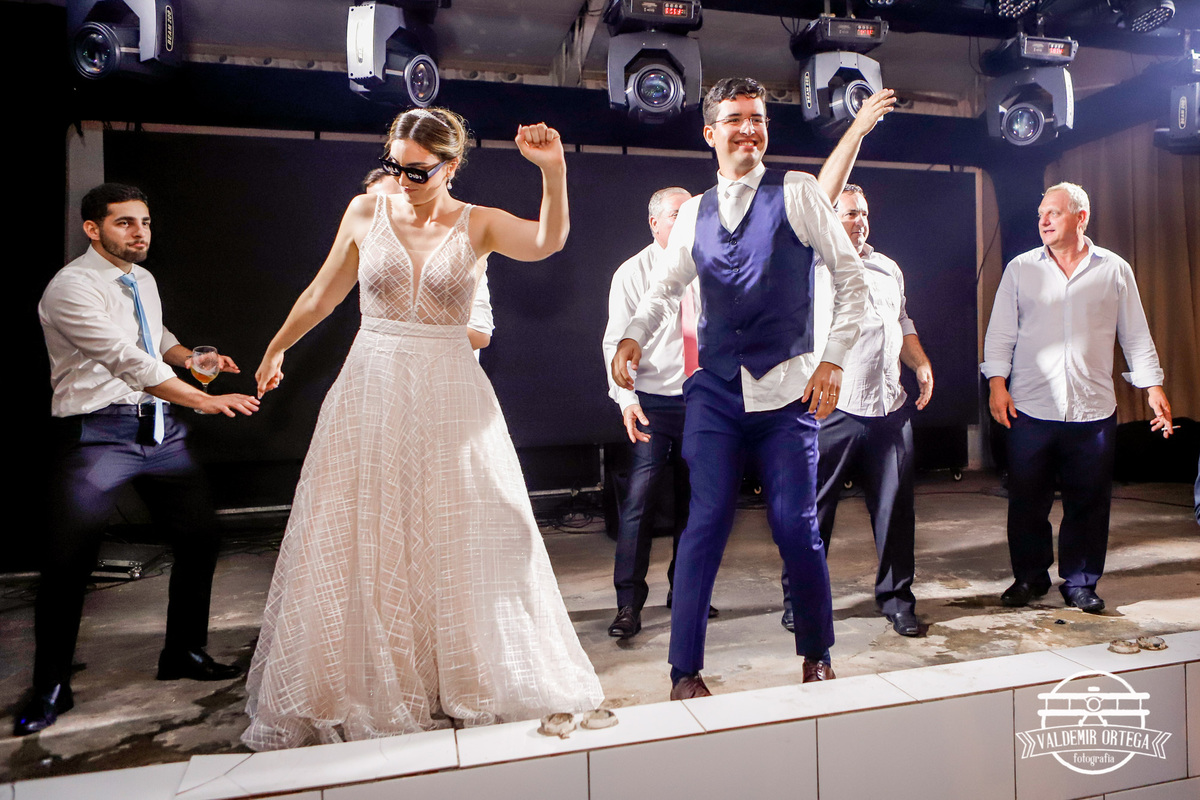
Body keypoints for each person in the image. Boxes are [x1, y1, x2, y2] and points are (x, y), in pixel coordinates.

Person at [243, 107, 603, 750]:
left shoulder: (478, 222)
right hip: (373, 382)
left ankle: (456, 670)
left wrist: (553, 171)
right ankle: (369, 678)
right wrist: (276, 348)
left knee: (459, 525)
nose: (404, 180)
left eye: (418, 170)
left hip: (448, 386)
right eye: (396, 166)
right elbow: (323, 293)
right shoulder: (366, 212)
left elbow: (547, 241)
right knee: (368, 525)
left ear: (450, 166)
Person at [612, 77, 869, 698]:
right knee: (703, 524)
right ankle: (684, 672)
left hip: (787, 394)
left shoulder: (798, 193)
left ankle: (817, 654)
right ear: (711, 132)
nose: (749, 129)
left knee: (796, 525)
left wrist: (833, 361)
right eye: (735, 119)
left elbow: (851, 279)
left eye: (757, 118)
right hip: (716, 392)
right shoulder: (693, 212)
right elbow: (664, 289)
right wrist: (633, 336)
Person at [16, 183, 260, 736]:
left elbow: (155, 339)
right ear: (92, 229)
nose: (140, 232)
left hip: (159, 430)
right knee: (68, 559)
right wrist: (200, 398)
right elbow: (125, 358)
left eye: (145, 222)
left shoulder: (141, 279)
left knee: (200, 538)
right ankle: (50, 685)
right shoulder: (70, 288)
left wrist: (192, 359)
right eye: (124, 222)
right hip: (98, 435)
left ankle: (183, 652)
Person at [983, 182, 1173, 613]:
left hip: (1092, 409)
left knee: (1088, 502)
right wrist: (997, 382)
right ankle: (1029, 578)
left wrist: (1153, 386)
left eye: (1053, 213)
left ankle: (1081, 582)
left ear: (1080, 217)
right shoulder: (1020, 269)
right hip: (1030, 407)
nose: (1044, 221)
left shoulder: (1114, 269)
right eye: (1040, 214)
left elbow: (1135, 334)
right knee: (1027, 502)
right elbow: (1000, 333)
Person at [780, 181, 932, 638]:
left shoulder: (888, 267)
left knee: (895, 512)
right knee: (812, 512)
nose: (860, 221)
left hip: (889, 406)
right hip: (832, 408)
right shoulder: (812, 266)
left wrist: (919, 362)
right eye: (849, 213)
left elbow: (901, 321)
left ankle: (897, 601)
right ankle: (801, 601)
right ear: (830, 218)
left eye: (863, 213)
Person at [601, 187, 718, 639]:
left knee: (698, 505)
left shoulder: (709, 266)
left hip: (702, 399)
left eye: (692, 214)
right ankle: (628, 605)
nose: (687, 221)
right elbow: (615, 341)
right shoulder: (632, 273)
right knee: (639, 504)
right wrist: (626, 401)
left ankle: (685, 593)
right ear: (654, 223)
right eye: (676, 214)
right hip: (651, 402)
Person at [363, 168, 495, 352]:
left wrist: (407, 345)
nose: (381, 213)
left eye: (390, 202)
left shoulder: (456, 252)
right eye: (373, 206)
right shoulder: (374, 260)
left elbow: (479, 334)